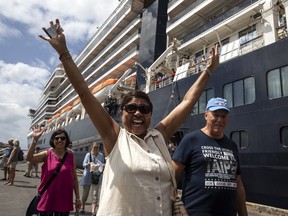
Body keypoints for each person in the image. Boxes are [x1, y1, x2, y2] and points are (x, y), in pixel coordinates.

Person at [39, 19, 219, 216]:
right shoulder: (115, 137)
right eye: (131, 108)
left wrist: (208, 70)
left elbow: (187, 102)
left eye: (144, 109)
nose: (138, 113)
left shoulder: (159, 136)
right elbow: (84, 93)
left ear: (150, 114)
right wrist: (64, 54)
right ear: (121, 113)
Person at [172, 97, 248, 216]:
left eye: (224, 116)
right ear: (206, 115)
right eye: (216, 114)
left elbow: (238, 183)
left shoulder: (231, 145)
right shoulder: (191, 139)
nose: (219, 119)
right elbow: (172, 176)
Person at [26, 125, 81, 215]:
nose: (59, 140)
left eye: (63, 138)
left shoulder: (71, 156)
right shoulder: (47, 154)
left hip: (64, 201)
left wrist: (78, 198)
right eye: (57, 138)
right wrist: (35, 139)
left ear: (66, 140)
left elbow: (74, 179)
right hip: (47, 200)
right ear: (53, 140)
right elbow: (29, 158)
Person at [79, 142, 105, 215]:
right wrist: (89, 164)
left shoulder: (101, 155)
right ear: (91, 148)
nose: (96, 149)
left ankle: (93, 210)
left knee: (95, 195)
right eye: (94, 147)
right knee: (85, 194)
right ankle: (82, 206)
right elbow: (83, 164)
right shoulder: (88, 155)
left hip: (96, 177)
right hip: (87, 176)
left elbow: (102, 165)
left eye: (97, 147)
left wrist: (100, 166)